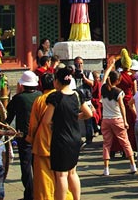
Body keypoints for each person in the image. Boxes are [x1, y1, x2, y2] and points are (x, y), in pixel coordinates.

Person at [40, 65, 94, 200]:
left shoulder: (55, 97)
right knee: (73, 172)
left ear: (57, 81)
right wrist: (76, 117)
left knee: (61, 175)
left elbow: (46, 121)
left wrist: (57, 121)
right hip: (75, 137)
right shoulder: (77, 94)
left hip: (61, 138)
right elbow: (89, 114)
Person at [27, 73, 70, 200]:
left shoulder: (41, 100)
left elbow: (34, 124)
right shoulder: (66, 97)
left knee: (44, 179)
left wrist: (30, 138)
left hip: (44, 142)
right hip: (63, 140)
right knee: (63, 176)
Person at [5, 70, 41, 200]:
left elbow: (8, 117)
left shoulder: (18, 98)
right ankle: (39, 191)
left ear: (22, 85)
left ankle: (29, 193)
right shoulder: (41, 96)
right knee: (37, 165)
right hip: (39, 135)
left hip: (24, 136)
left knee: (26, 166)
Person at [100, 57, 136, 176]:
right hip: (117, 118)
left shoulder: (103, 88)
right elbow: (122, 107)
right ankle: (132, 165)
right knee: (125, 142)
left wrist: (110, 66)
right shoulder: (119, 92)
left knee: (106, 144)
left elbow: (105, 77)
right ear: (118, 80)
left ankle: (106, 169)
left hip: (105, 119)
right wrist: (125, 121)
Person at [72, 57, 96, 144]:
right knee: (75, 119)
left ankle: (89, 138)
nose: (79, 65)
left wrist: (84, 78)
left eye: (81, 63)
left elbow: (92, 83)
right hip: (76, 98)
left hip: (86, 98)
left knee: (88, 119)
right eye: (77, 64)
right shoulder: (72, 73)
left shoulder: (87, 72)